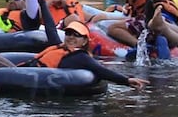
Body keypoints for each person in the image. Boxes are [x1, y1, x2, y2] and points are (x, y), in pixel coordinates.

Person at [20, 20, 149, 92]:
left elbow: (101, 71)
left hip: (31, 79)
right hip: (24, 71)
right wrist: (42, 2)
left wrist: (126, 80)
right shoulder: (59, 47)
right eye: (69, 33)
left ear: (85, 41)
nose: (71, 37)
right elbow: (51, 30)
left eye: (76, 35)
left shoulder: (81, 57)